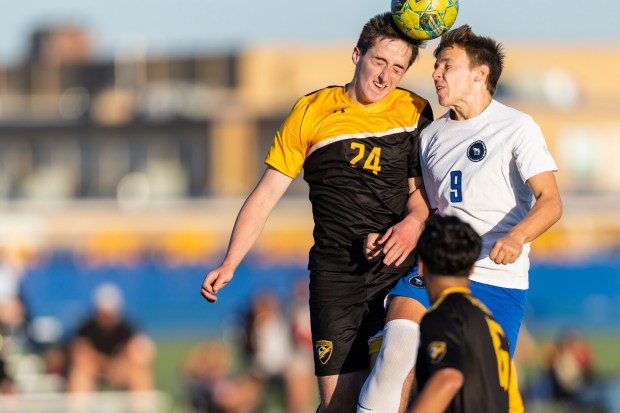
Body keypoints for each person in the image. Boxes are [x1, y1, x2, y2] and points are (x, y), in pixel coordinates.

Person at [201, 11, 434, 412]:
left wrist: (413, 225)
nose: (385, 76)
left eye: (398, 68)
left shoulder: (415, 111)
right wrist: (230, 262)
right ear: (357, 54)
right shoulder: (312, 111)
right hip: (335, 278)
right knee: (339, 406)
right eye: (379, 61)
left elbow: (421, 197)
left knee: (392, 388)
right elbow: (266, 193)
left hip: (397, 272)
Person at [358, 25, 562, 412]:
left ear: (479, 74)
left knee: (473, 393)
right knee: (396, 351)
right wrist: (391, 233)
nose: (435, 73)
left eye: (446, 65)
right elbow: (424, 207)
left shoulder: (517, 127)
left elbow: (550, 201)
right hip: (438, 271)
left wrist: (518, 237)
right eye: (436, 66)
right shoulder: (431, 136)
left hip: (498, 281)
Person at [407, 214, 520, 413]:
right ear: (472, 268)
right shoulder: (490, 322)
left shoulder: (441, 317)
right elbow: (514, 403)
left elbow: (448, 377)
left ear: (422, 267)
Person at [67, 283, 156, 392]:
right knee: (80, 373)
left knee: (139, 373)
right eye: (104, 314)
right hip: (94, 372)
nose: (107, 318)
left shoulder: (128, 329)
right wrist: (104, 365)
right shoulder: (85, 329)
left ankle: (142, 407)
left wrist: (123, 363)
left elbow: (144, 352)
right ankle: (79, 408)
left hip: (120, 370)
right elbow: (80, 355)